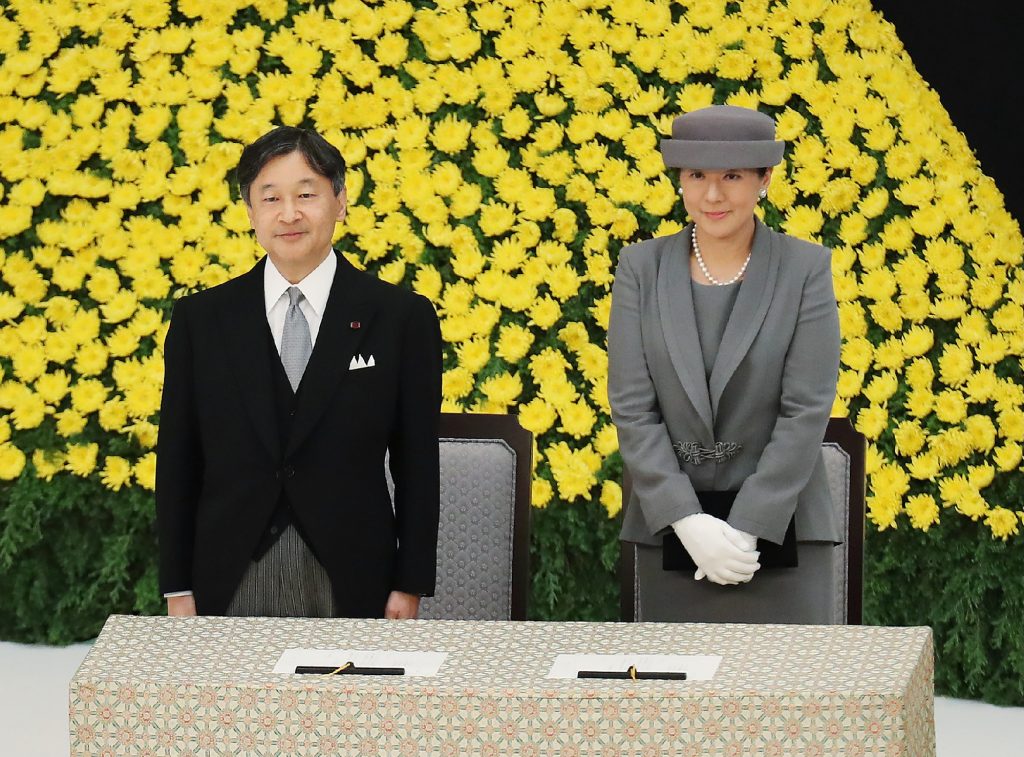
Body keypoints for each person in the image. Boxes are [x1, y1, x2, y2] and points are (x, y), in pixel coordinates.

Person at [156, 126, 441, 620]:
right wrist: (177, 586)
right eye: (270, 198)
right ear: (250, 213)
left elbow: (417, 463)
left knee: (351, 699)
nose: (289, 214)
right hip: (228, 573)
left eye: (306, 194)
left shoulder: (399, 318)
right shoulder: (201, 321)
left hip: (355, 573)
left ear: (340, 201)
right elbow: (178, 461)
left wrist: (409, 583)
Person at [608, 105, 842, 623]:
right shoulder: (639, 270)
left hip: (784, 535)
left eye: (732, 176)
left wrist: (747, 525)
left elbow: (806, 409)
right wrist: (686, 519)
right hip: (672, 538)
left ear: (765, 179)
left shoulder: (805, 269)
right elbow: (631, 408)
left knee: (790, 698)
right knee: (673, 702)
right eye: (697, 177)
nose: (712, 196)